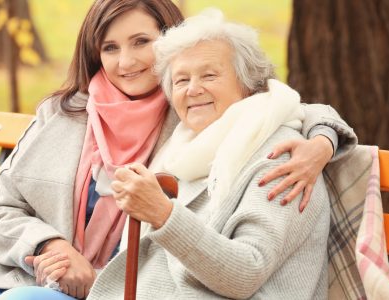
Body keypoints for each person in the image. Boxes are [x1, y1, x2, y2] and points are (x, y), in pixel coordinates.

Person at [0, 1, 356, 299]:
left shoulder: (191, 117)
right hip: (17, 268)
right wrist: (51, 246)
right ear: (95, 54)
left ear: (169, 41)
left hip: (110, 286)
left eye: (142, 42)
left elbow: (280, 103)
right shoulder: (64, 113)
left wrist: (322, 139)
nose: (127, 62)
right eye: (110, 48)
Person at [87, 8, 331, 299]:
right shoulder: (182, 149)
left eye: (209, 75)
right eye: (181, 80)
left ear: (248, 83)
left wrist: (163, 215)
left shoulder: (280, 157)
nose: (193, 90)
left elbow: (246, 273)